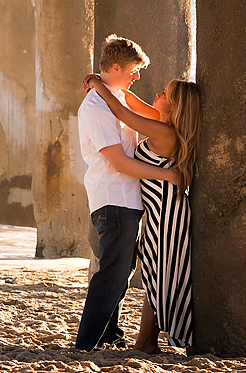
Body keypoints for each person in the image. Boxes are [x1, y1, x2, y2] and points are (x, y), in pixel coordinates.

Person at [75, 35, 178, 351]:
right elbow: (118, 162)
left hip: (126, 201)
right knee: (113, 274)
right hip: (113, 199)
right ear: (116, 67)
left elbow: (139, 114)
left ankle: (110, 334)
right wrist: (167, 175)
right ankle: (86, 343)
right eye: (134, 70)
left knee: (122, 270)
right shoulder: (96, 108)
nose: (138, 77)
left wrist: (97, 81)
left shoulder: (115, 97)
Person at [82, 73, 200, 353]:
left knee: (156, 273)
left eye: (164, 93)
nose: (157, 93)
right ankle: (146, 341)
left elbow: (122, 112)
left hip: (167, 209)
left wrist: (97, 85)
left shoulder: (166, 131)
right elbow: (130, 103)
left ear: (173, 107)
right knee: (154, 272)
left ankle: (146, 342)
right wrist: (111, 83)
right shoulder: (163, 122)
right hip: (159, 207)